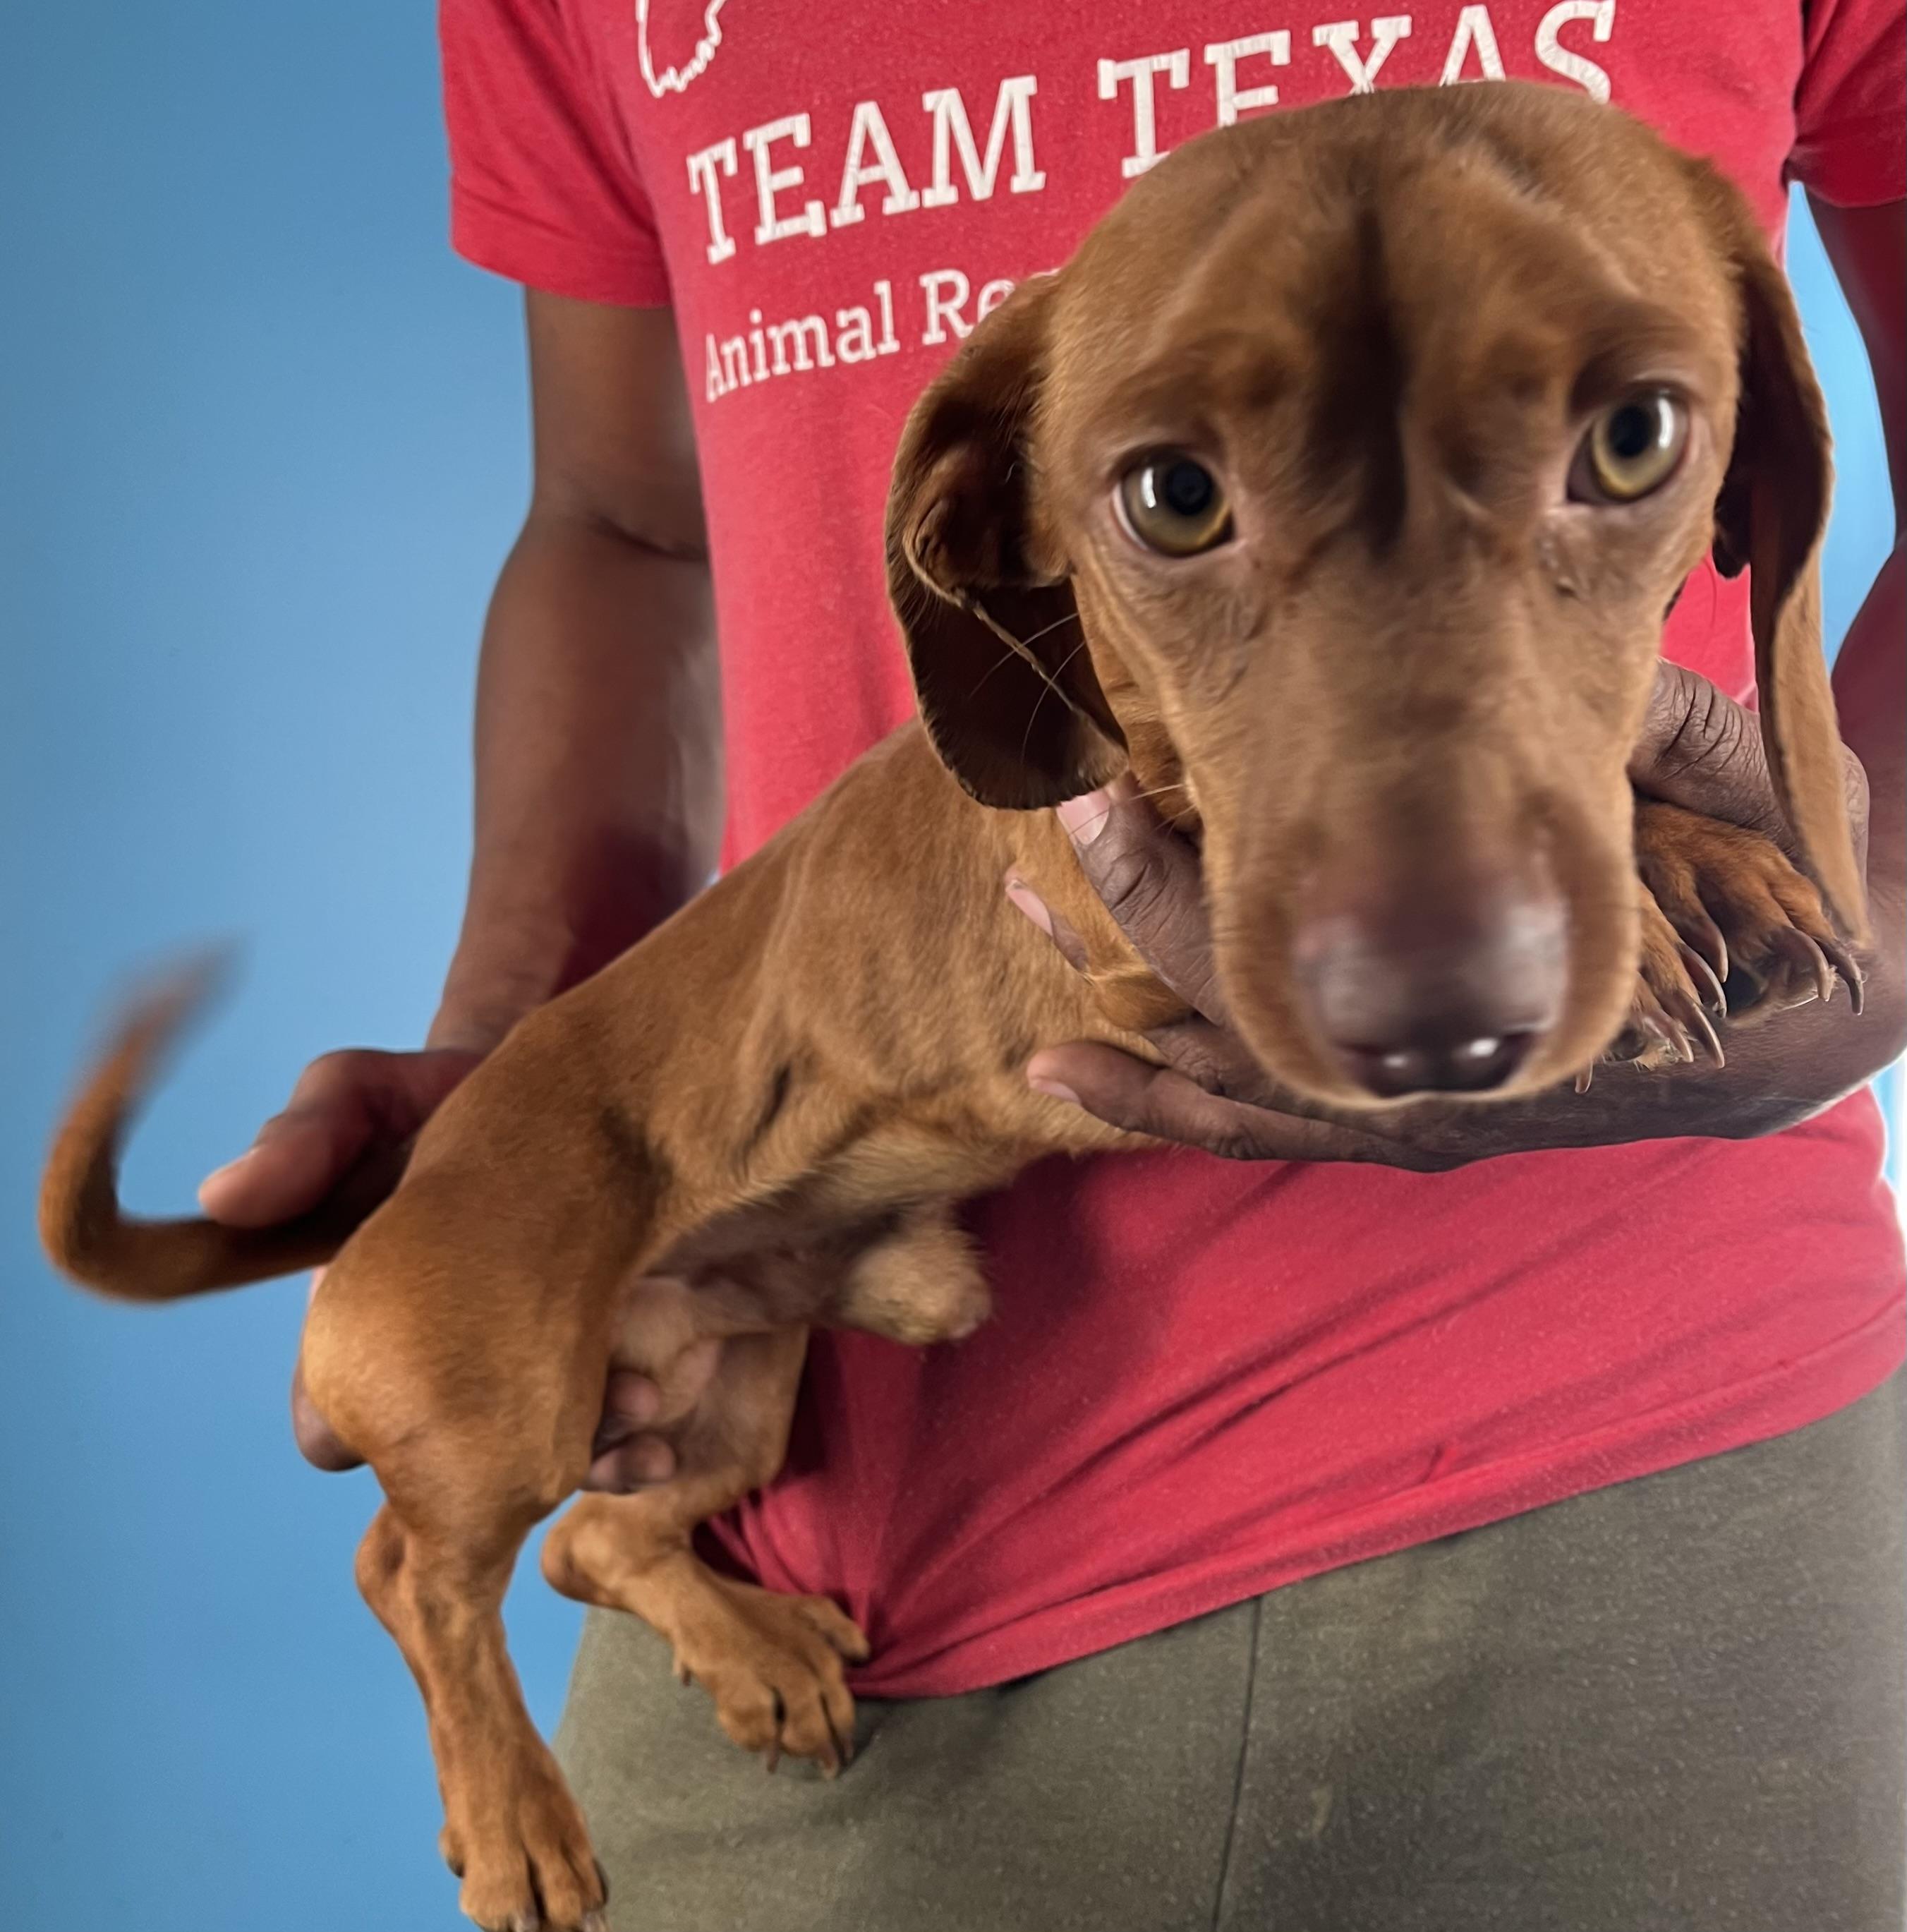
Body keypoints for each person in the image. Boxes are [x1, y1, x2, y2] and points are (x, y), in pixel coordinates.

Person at [199, 6, 1906, 1926]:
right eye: (1181, 495)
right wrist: (519, 1084)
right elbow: (623, 517)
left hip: (1675, 1456)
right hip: (859, 1497)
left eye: (1629, 438)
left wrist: (1884, 923)